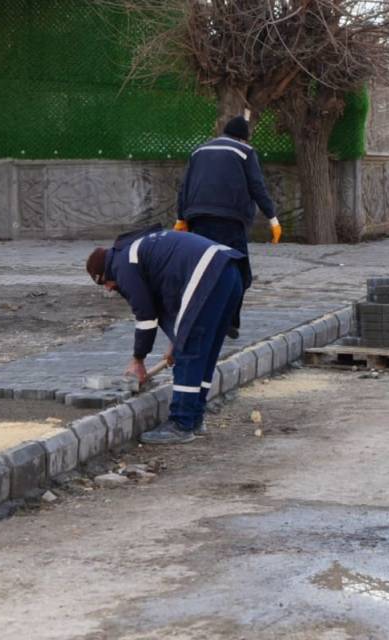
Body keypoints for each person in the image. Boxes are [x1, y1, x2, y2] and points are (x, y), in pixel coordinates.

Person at [86, 228, 245, 445]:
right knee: (203, 351)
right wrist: (175, 341)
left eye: (103, 282)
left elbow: (146, 316)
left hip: (207, 274)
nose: (109, 289)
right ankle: (194, 417)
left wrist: (138, 360)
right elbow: (173, 304)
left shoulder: (122, 265)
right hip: (229, 271)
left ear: (105, 272)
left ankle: (181, 423)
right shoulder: (139, 252)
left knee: (190, 352)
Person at [175, 115, 279, 340]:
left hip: (198, 218)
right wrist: (272, 217)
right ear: (244, 137)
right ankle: (230, 321)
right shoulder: (244, 152)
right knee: (237, 271)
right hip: (230, 219)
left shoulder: (198, 151)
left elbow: (184, 186)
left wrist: (180, 217)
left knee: (202, 268)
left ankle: (198, 318)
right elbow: (257, 186)